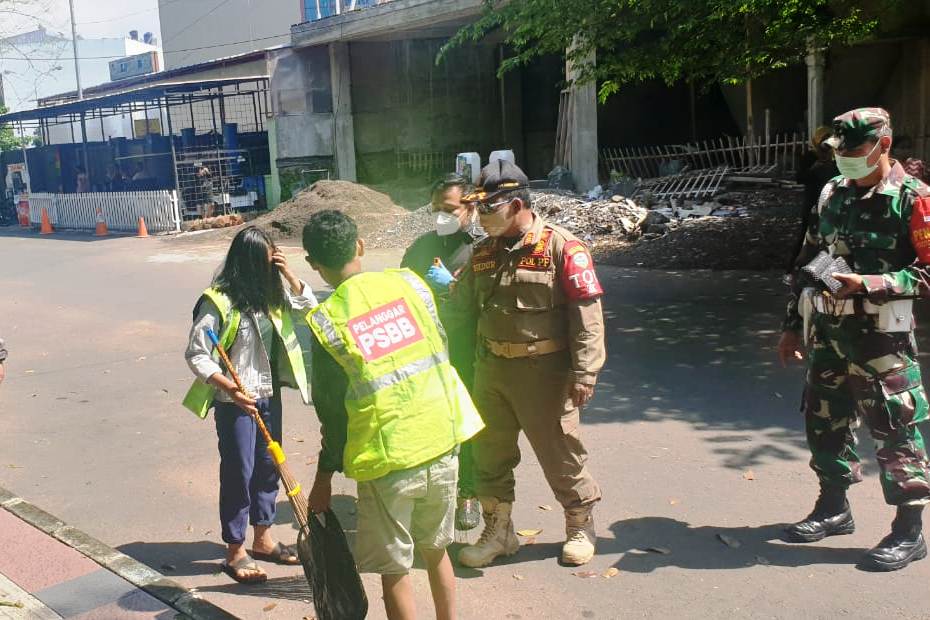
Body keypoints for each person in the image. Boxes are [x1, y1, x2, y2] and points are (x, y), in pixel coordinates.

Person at [301, 209, 484, 620]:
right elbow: (440, 344)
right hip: (442, 437)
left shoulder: (327, 320)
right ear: (360, 246)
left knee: (395, 566)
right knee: (436, 549)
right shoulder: (410, 284)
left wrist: (324, 477)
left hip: (389, 458)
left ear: (313, 263)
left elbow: (333, 414)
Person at [427, 160, 606, 568]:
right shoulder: (482, 253)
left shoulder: (562, 248)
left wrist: (585, 372)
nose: (481, 216)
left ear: (518, 205)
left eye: (489, 208)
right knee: (489, 455)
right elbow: (460, 310)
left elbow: (587, 316)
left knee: (560, 454)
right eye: (478, 208)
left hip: (544, 374)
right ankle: (499, 531)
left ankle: (579, 524)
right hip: (491, 371)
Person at [778, 108, 930, 571]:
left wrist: (870, 283)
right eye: (839, 151)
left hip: (882, 341)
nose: (845, 158)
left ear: (884, 145)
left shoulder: (914, 199)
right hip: (828, 333)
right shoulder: (833, 192)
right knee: (825, 421)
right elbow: (810, 258)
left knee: (895, 428)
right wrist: (791, 324)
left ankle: (908, 531)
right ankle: (833, 508)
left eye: (855, 149)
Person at [183, 226, 318, 584]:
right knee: (239, 473)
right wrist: (229, 387)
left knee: (268, 467)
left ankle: (263, 538)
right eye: (264, 264)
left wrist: (290, 275)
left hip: (268, 395)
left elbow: (312, 311)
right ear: (246, 264)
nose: (269, 271)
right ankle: (235, 549)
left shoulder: (272, 295)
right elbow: (197, 353)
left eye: (273, 263)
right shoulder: (219, 300)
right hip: (235, 401)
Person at [401, 173, 484, 526]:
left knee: (470, 425)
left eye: (449, 209)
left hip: (469, 351)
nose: (441, 216)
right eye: (436, 209)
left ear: (471, 206)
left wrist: (457, 290)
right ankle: (431, 495)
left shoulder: (484, 249)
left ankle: (469, 494)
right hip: (427, 354)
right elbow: (400, 295)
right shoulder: (420, 248)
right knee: (431, 423)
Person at [790, 127, 838, 270]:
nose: (826, 145)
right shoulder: (810, 157)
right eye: (823, 140)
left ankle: (822, 270)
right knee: (806, 236)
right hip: (812, 201)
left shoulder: (836, 157)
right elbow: (799, 178)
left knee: (830, 237)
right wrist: (814, 168)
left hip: (831, 200)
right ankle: (792, 270)